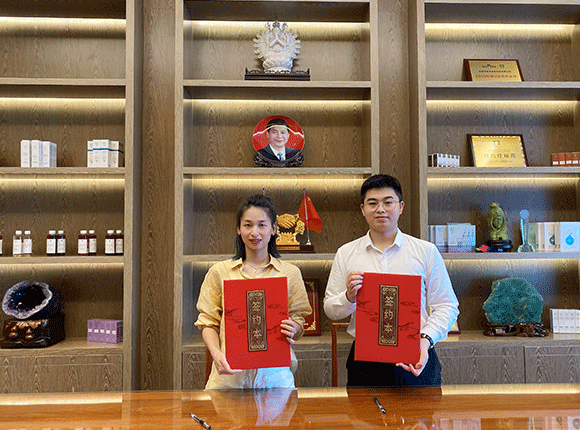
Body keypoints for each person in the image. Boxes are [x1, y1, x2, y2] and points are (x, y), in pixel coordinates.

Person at [323, 174, 459, 387]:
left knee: (421, 410)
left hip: (416, 354)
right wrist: (349, 297)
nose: (381, 209)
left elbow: (447, 305)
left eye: (388, 202)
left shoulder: (425, 251)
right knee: (364, 410)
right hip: (365, 362)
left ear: (401, 206)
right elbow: (331, 309)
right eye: (372, 203)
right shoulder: (346, 253)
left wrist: (426, 340)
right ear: (362, 209)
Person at [195, 194, 312, 389]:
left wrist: (294, 328)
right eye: (248, 225)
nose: (254, 232)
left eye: (262, 225)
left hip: (276, 378)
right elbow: (208, 322)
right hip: (229, 379)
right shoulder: (219, 272)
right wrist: (216, 354)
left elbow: (299, 320)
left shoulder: (290, 273)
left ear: (273, 229)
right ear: (238, 229)